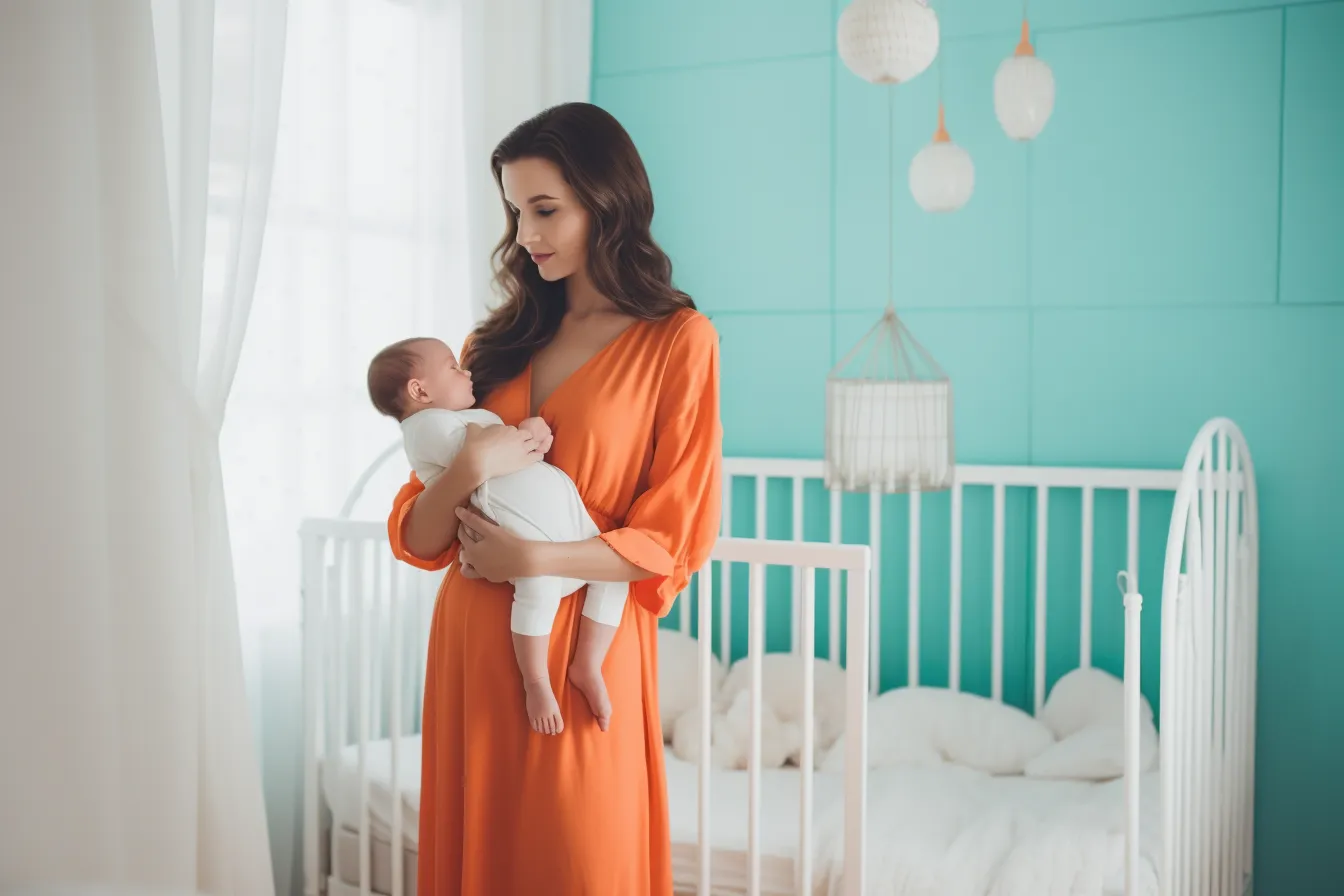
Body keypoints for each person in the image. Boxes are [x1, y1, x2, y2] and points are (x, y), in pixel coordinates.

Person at [386, 101, 722, 894]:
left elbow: (675, 531)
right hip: (477, 643)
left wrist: (535, 556)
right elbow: (420, 532)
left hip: (582, 647)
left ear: (608, 203)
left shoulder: (678, 341)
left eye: (547, 209)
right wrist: (472, 469)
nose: (527, 234)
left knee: (580, 862)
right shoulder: (487, 347)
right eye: (515, 211)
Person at [366, 335, 629, 734]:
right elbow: (481, 458)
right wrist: (518, 440)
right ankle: (536, 681)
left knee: (613, 579)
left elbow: (500, 449)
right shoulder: (426, 428)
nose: (466, 370)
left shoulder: (467, 419)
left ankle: (587, 662)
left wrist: (530, 433)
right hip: (517, 530)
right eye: (453, 367)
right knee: (537, 591)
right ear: (420, 391)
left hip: (564, 525)